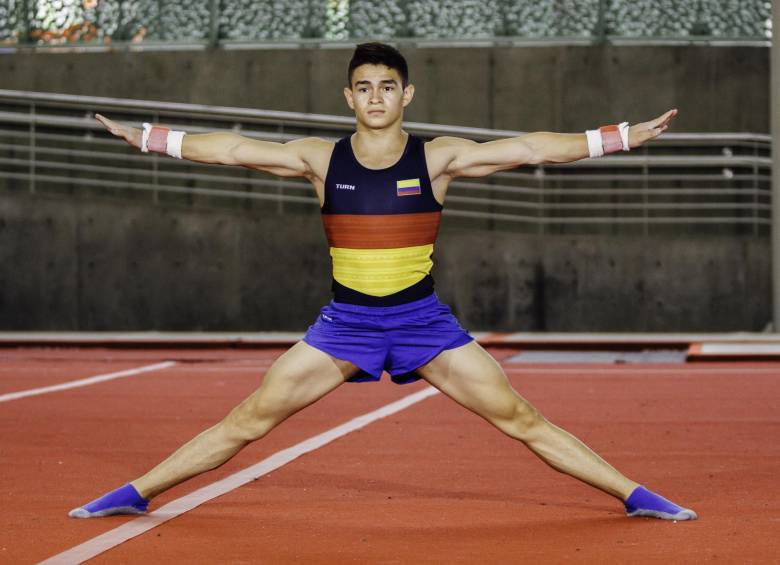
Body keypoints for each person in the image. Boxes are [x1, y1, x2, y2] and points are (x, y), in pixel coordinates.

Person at [70, 42, 696, 521]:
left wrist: (619, 137)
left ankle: (635, 496)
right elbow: (233, 149)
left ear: (407, 95)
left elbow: (529, 148)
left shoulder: (437, 158)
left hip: (423, 324)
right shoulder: (320, 160)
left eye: (387, 87)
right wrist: (150, 138)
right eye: (364, 87)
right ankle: (134, 494)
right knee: (249, 419)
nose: (375, 97)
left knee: (521, 417)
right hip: (347, 326)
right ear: (349, 97)